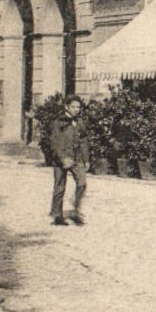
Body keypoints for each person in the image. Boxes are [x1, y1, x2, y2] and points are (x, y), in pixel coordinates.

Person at [47, 95, 88, 227]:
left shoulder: (79, 122)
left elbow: (84, 141)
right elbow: (54, 143)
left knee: (82, 183)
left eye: (78, 107)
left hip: (76, 158)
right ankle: (57, 215)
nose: (77, 109)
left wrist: (86, 159)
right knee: (59, 187)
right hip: (61, 159)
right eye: (74, 107)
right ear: (66, 107)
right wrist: (62, 158)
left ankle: (76, 210)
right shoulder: (58, 122)